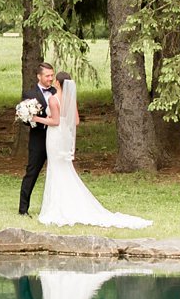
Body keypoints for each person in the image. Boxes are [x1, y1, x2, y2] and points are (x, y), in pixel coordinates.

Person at [28, 71, 152, 229]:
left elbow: (55, 121)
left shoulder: (53, 99)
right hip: (64, 137)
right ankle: (69, 203)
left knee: (56, 169)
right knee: (64, 169)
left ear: (58, 83)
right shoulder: (70, 99)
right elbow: (77, 121)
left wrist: (35, 118)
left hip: (55, 137)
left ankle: (57, 206)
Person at [17, 63, 57, 216]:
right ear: (39, 76)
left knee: (57, 172)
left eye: (52, 75)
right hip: (38, 139)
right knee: (32, 172)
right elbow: (26, 120)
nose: (50, 79)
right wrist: (36, 118)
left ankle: (56, 207)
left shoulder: (56, 92)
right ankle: (23, 209)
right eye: (47, 76)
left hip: (55, 138)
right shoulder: (29, 94)